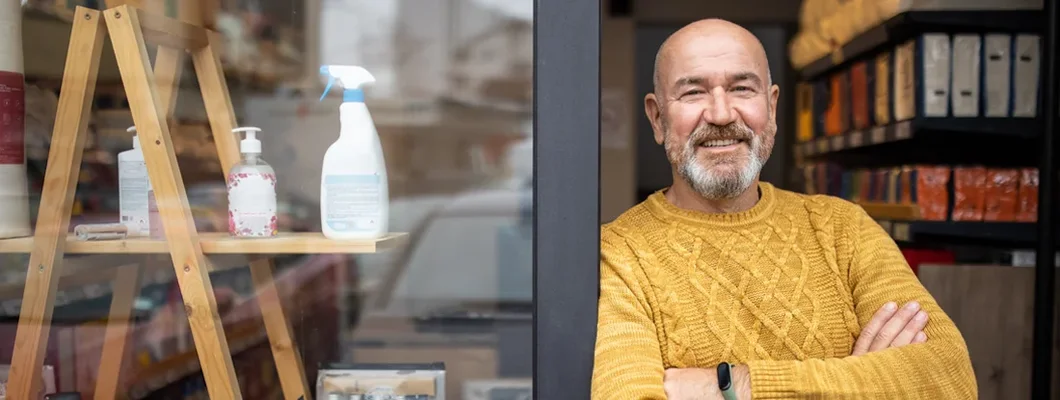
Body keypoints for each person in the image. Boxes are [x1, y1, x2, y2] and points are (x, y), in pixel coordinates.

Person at [591, 18, 977, 399]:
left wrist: (733, 385)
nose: (722, 114)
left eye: (742, 88)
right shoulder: (618, 255)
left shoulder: (843, 228)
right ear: (658, 118)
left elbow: (951, 379)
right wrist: (863, 382)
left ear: (772, 108)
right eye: (693, 93)